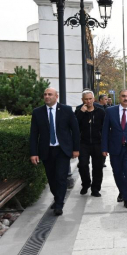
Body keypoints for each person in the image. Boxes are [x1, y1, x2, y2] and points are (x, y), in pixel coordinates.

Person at [29, 88, 80, 216]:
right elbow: (34, 134)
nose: (47, 96)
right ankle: (57, 197)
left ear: (56, 96)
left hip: (62, 150)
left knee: (61, 177)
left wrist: (76, 149)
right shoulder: (37, 112)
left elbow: (75, 130)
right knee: (51, 179)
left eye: (50, 94)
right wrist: (33, 153)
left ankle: (59, 204)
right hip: (46, 151)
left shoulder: (66, 110)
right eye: (45, 94)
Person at [75, 89, 106, 197]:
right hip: (83, 143)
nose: (88, 101)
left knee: (98, 167)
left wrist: (105, 145)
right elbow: (75, 126)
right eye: (86, 99)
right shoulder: (79, 110)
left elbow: (105, 128)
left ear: (93, 99)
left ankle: (95, 188)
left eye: (90, 99)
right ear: (82, 100)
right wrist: (81, 112)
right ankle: (86, 183)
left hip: (98, 143)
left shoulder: (101, 111)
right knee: (83, 165)